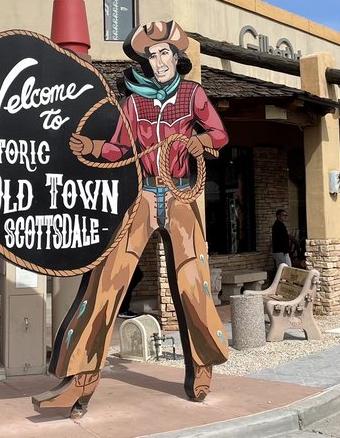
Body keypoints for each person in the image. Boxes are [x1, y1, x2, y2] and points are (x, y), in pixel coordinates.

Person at [37, 21, 229, 416]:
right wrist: (91, 145)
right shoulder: (132, 102)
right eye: (152, 55)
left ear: (177, 58)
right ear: (145, 59)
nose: (159, 61)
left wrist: (201, 141)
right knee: (106, 284)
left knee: (193, 283)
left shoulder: (193, 94)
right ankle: (80, 381)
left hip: (179, 194)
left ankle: (202, 365)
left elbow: (219, 134)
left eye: (165, 54)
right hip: (141, 195)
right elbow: (119, 150)